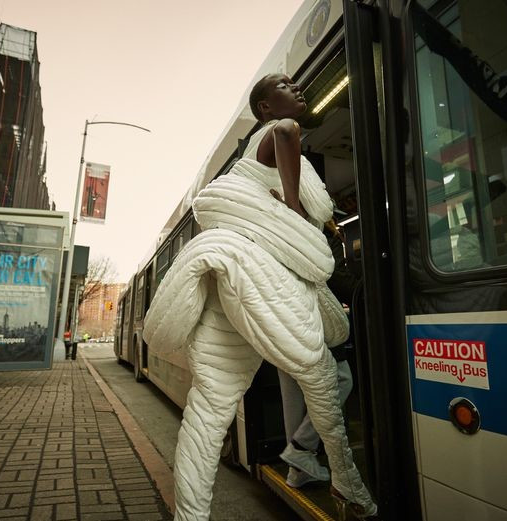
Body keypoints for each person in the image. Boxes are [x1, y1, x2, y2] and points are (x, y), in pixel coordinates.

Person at [143, 73, 377, 520]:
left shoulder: (256, 158)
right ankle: (349, 485)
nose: (299, 89)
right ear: (266, 107)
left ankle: (190, 516)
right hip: (265, 274)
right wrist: (291, 205)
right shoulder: (274, 132)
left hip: (235, 270)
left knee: (209, 409)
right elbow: (288, 132)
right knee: (323, 376)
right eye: (287, 86)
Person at [277, 219, 358, 488]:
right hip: (311, 321)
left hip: (278, 321)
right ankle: (300, 449)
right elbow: (341, 282)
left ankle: (298, 472)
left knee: (294, 397)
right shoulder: (318, 230)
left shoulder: (271, 226)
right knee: (342, 379)